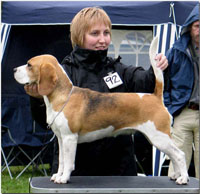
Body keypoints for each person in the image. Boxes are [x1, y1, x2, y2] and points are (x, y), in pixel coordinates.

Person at [25, 7, 168, 176]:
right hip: (77, 171)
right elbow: (46, 122)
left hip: (119, 168)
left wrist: (156, 69)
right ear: (79, 36)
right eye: (95, 33)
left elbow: (145, 83)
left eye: (106, 33)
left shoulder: (118, 69)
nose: (103, 39)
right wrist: (38, 98)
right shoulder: (63, 74)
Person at [164, 4, 199, 179]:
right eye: (197, 26)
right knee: (177, 167)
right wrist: (170, 109)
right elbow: (163, 82)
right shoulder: (176, 51)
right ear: (190, 28)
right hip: (182, 112)